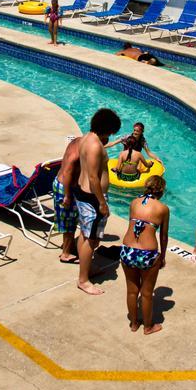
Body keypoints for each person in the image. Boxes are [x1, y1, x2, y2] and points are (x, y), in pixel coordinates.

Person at [72, 108, 122, 295]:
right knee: (90, 239)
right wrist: (102, 203)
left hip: (84, 193)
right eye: (111, 131)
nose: (111, 135)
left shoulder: (86, 138)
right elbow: (93, 178)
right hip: (92, 197)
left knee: (85, 235)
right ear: (106, 128)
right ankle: (83, 280)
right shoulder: (94, 146)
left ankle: (88, 269)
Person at [120, 176, 169, 335]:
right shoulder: (162, 208)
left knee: (132, 291)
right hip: (147, 253)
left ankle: (134, 324)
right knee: (147, 294)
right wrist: (162, 257)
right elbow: (163, 236)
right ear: (161, 190)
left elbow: (133, 226)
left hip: (127, 250)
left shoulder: (134, 203)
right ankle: (148, 327)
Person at [54, 136, 83, 264]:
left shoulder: (78, 141)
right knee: (69, 222)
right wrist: (67, 195)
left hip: (63, 185)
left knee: (70, 220)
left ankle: (68, 247)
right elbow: (67, 173)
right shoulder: (78, 153)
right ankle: (65, 254)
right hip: (66, 188)